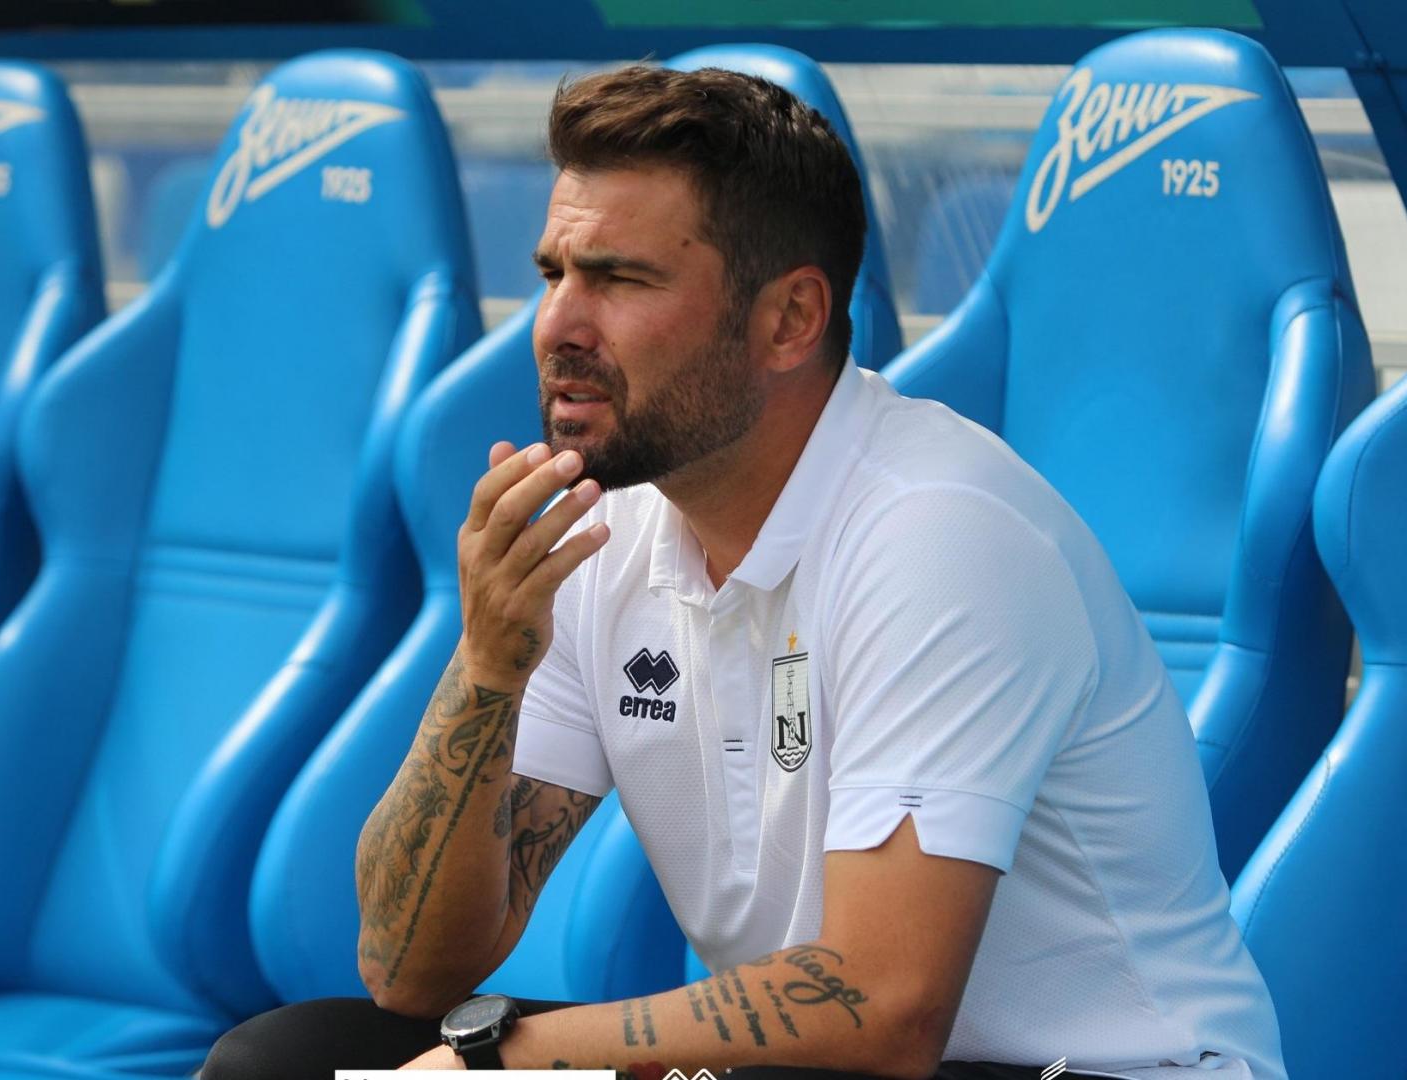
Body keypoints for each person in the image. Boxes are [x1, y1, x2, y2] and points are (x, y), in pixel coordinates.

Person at [204, 64, 1286, 1080]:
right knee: (294, 1058)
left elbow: (885, 1003)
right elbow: (408, 970)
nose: (558, 326)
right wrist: (487, 667)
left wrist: (507, 1058)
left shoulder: (939, 532)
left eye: (619, 278)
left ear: (788, 320)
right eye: (553, 274)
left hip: (1089, 1069)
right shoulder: (602, 536)